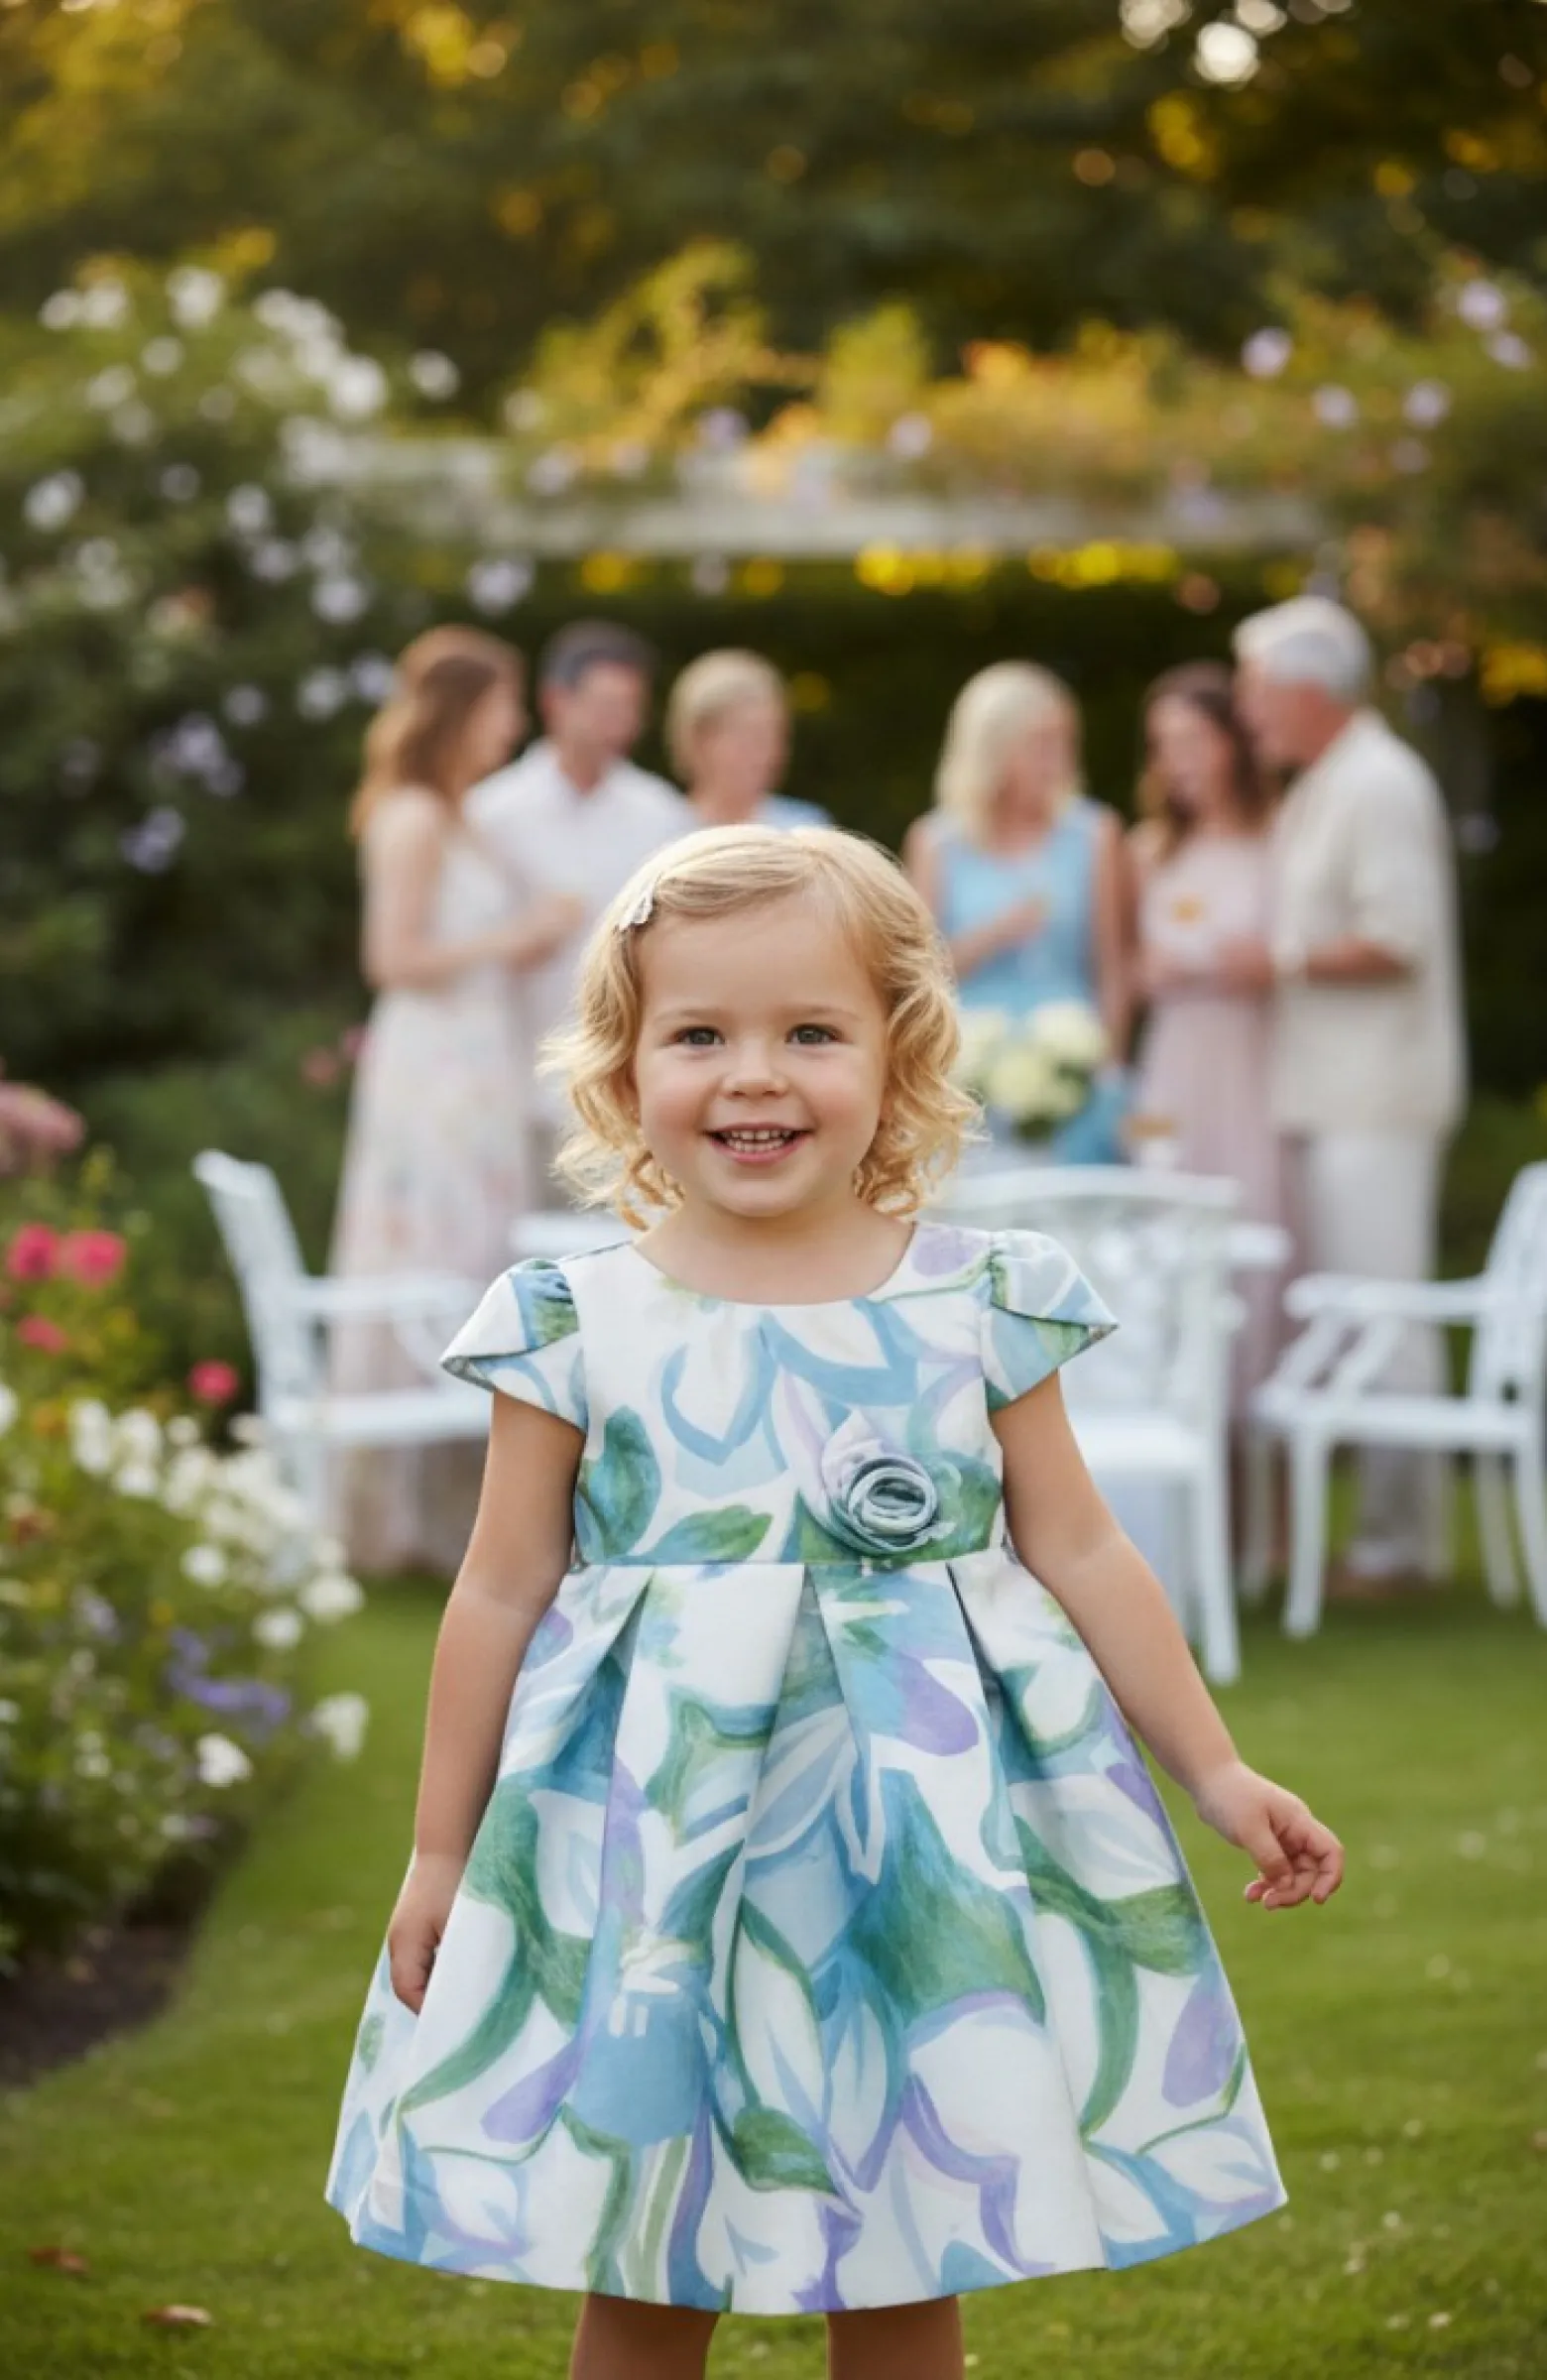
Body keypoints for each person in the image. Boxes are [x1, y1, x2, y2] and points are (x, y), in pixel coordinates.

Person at [326, 825, 1343, 2375]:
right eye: (701, 1035)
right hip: (653, 1854)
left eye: (811, 1031)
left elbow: (1081, 1550)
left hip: (910, 1852)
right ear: (623, 1065)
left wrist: (1216, 1770)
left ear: (898, 1050)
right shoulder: (569, 1321)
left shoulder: (978, 1299)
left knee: (904, 2233)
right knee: (649, 2248)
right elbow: (499, 1587)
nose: (756, 1074)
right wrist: (441, 1854)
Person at [327, 626, 583, 1575]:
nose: (512, 724)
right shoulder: (414, 819)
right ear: (463, 710)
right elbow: (391, 960)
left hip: (478, 1063)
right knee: (432, 1256)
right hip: (431, 1067)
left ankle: (457, 1519)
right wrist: (513, 940)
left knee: (478, 1254)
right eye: (503, 705)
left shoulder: (464, 815)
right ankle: (393, 1522)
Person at [1235, 594, 1467, 1593]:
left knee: (1385, 1319)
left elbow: (1397, 937)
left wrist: (1274, 960)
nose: (1250, 716)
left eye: (1256, 691)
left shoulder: (1376, 784)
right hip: (1333, 1095)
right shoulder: (1329, 781)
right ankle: (1386, 1535)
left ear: (1304, 688)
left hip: (1377, 1095)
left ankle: (1399, 1547)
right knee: (1362, 1315)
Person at [469, 619, 689, 1192]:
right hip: (510, 1071)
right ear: (555, 702)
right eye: (606, 704)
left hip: (625, 1080)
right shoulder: (491, 813)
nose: (620, 723)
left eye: (631, 706)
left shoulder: (660, 813)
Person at [1130, 660, 1288, 1405]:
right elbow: (1123, 972)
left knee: (1252, 1238)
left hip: (1252, 1064)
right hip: (1171, 1069)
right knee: (1162, 1231)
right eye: (1165, 744)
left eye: (1193, 739)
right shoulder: (1150, 849)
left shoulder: (1279, 840)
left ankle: (1255, 1442)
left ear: (1232, 742)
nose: (1178, 760)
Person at [904, 661, 1129, 1160]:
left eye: (1064, 743)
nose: (1058, 761)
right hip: (971, 1071)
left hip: (1075, 1064)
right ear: (993, 748)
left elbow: (1112, 965)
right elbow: (919, 973)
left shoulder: (1095, 833)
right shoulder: (938, 841)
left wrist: (1109, 1065)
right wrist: (994, 934)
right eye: (1041, 744)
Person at [666, 647, 832, 830]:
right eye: (747, 739)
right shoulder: (657, 826)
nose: (765, 755)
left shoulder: (806, 828)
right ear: (699, 739)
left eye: (776, 737)